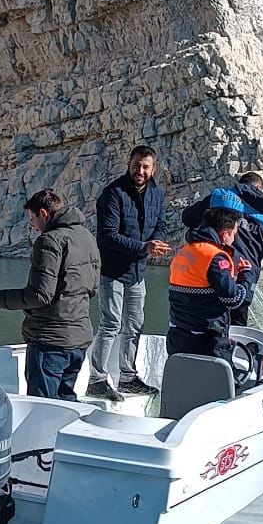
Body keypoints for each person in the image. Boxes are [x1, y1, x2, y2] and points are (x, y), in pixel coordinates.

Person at [0, 188, 101, 399]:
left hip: (50, 341)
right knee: (66, 405)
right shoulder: (86, 236)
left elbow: (39, 295)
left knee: (43, 410)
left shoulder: (49, 241)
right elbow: (93, 287)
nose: (32, 224)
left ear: (44, 214)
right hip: (80, 338)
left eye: (32, 218)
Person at [89, 144, 169, 402]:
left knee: (134, 325)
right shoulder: (113, 194)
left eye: (145, 167)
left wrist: (155, 242)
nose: (140, 171)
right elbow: (107, 235)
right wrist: (144, 247)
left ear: (153, 168)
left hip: (137, 271)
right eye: (136, 165)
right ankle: (96, 380)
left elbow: (160, 224)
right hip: (112, 270)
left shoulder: (156, 193)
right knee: (111, 323)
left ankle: (128, 377)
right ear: (129, 164)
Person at [166, 190, 254, 394]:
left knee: (184, 388)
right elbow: (233, 300)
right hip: (206, 339)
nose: (234, 238)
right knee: (215, 392)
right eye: (234, 233)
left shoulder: (184, 252)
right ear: (225, 233)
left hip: (179, 335)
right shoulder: (216, 258)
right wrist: (245, 276)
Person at [181, 166, 263, 303]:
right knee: (238, 321)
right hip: (244, 277)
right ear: (260, 189)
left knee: (209, 318)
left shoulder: (220, 196)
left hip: (211, 272)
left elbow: (188, 218)